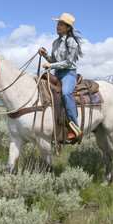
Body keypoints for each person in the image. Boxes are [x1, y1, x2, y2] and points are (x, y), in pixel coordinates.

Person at [38, 12, 83, 140]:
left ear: (68, 28)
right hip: (57, 73)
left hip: (68, 73)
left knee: (65, 93)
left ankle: (75, 126)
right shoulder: (55, 43)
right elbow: (53, 60)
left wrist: (51, 66)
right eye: (58, 24)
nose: (58, 26)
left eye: (61, 24)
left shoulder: (72, 42)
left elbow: (68, 62)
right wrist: (45, 55)